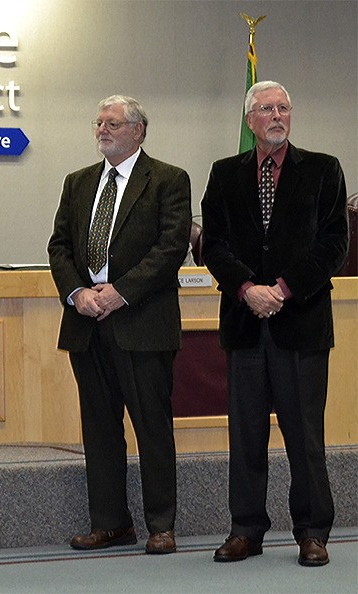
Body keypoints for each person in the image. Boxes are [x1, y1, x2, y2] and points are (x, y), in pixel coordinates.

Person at [201, 81, 348, 567]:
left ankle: (311, 531)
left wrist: (281, 290)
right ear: (250, 120)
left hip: (300, 325)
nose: (277, 115)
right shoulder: (224, 174)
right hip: (244, 326)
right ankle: (246, 529)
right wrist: (247, 289)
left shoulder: (324, 170)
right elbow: (213, 245)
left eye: (284, 107)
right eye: (267, 108)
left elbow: (333, 246)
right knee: (245, 435)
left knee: (305, 435)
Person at [47, 95, 191, 554]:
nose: (102, 130)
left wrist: (119, 291)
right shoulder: (78, 182)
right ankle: (110, 523)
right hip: (87, 324)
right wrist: (78, 293)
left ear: (138, 131)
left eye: (113, 123)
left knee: (152, 426)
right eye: (99, 123)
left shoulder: (167, 179)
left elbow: (171, 249)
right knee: (99, 428)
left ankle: (160, 524)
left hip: (142, 323)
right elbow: (59, 246)